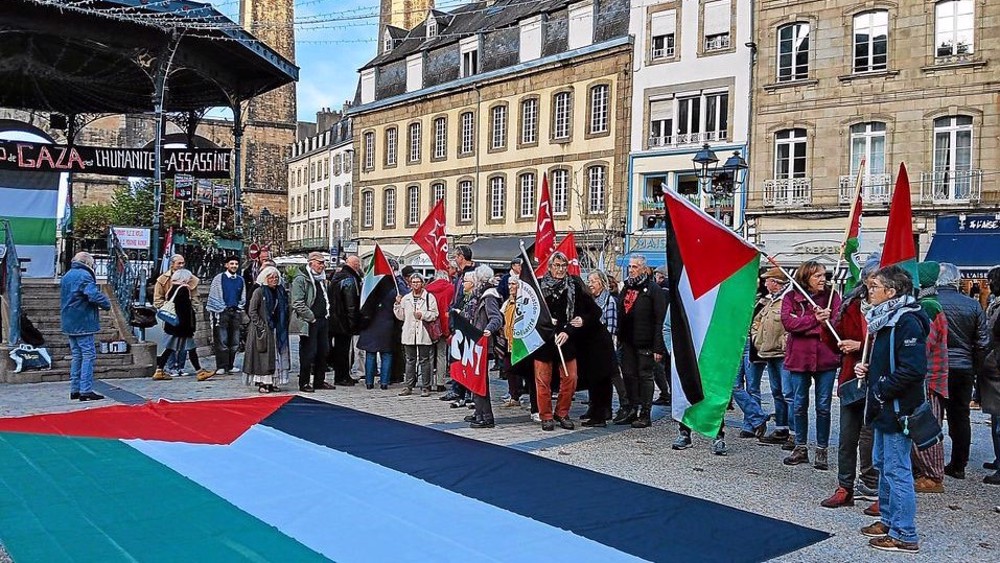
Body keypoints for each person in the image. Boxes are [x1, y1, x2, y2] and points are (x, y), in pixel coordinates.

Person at [856, 265, 927, 554]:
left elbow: (913, 369)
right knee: (884, 466)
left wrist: (882, 388)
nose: (869, 291)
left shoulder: (906, 321)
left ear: (891, 291)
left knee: (898, 471)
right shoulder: (885, 320)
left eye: (874, 287)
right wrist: (870, 370)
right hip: (884, 407)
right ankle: (888, 520)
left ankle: (905, 533)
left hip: (898, 407)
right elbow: (891, 363)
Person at [821, 256, 882, 510]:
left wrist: (861, 346)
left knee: (874, 438)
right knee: (847, 436)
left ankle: (877, 487)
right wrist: (823, 323)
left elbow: (896, 346)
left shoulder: (895, 310)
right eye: (873, 281)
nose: (875, 286)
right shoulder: (852, 305)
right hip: (850, 378)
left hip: (879, 381)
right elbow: (834, 339)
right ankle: (845, 486)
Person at [782, 260, 841, 470]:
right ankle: (800, 446)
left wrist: (816, 324)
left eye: (824, 275)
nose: (823, 279)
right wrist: (816, 320)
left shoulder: (833, 296)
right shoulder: (791, 298)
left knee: (824, 405)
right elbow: (789, 324)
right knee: (799, 404)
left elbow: (838, 324)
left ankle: (822, 449)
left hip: (826, 358)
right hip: (799, 359)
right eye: (817, 276)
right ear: (806, 277)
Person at [936, 262, 990, 480]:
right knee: (960, 416)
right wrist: (976, 369)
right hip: (964, 367)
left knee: (933, 415)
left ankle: (931, 463)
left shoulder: (931, 304)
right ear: (956, 280)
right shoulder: (972, 305)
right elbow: (982, 342)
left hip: (937, 367)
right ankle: (959, 464)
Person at [533, 252, 588, 431]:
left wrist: (569, 329)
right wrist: (546, 325)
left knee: (571, 378)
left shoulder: (574, 286)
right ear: (550, 267)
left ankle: (562, 412)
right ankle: (546, 416)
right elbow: (530, 313)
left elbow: (585, 311)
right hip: (544, 340)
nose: (560, 269)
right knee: (542, 380)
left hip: (566, 339)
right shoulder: (539, 287)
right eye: (557, 265)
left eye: (563, 266)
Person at [911, 261, 950, 493]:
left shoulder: (928, 307)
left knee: (927, 427)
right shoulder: (929, 304)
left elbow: (922, 346)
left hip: (928, 378)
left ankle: (933, 476)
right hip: (930, 376)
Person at [614, 255, 667, 428]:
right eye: (630, 266)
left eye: (635, 267)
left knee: (645, 376)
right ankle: (632, 409)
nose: (631, 270)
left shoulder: (653, 289)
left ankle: (645, 413)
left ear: (644, 269)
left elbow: (660, 319)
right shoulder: (627, 287)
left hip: (645, 342)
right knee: (629, 375)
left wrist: (658, 347)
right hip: (627, 341)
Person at [60, 252, 112, 401]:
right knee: (88, 355)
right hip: (83, 320)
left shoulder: (68, 275)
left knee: (77, 355)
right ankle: (86, 390)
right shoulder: (84, 276)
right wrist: (106, 303)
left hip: (69, 319)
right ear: (87, 263)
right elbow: (92, 294)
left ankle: (75, 389)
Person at [752, 267, 795, 447]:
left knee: (789, 393)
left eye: (767, 280)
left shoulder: (789, 300)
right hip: (770, 352)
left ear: (775, 283)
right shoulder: (770, 302)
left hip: (784, 354)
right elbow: (757, 321)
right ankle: (781, 428)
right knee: (777, 392)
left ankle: (795, 433)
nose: (765, 283)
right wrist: (757, 339)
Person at [152, 269, 214, 382]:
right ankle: (199, 372)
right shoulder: (183, 290)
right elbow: (185, 312)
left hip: (173, 325)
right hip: (182, 327)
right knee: (190, 349)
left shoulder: (172, 288)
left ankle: (160, 370)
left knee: (170, 349)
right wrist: (190, 327)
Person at [462, 265, 502, 428]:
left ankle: (486, 417)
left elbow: (496, 318)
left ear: (479, 280)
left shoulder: (489, 296)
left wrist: (487, 330)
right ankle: (479, 412)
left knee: (480, 380)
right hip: (476, 342)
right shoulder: (481, 295)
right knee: (475, 379)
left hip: (482, 343)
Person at [244, 266, 291, 392]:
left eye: (276, 277)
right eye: (270, 277)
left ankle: (273, 382)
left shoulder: (281, 291)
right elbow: (252, 310)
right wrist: (261, 326)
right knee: (263, 357)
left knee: (276, 356)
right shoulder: (259, 292)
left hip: (277, 329)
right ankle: (263, 383)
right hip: (263, 330)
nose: (274, 279)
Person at [290, 252, 331, 393]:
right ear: (311, 263)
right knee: (308, 352)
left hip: (322, 319)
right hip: (309, 321)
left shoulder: (321, 279)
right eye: (319, 263)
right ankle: (304, 382)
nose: (322, 266)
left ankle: (319, 381)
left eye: (323, 263)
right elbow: (297, 302)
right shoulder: (301, 279)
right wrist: (311, 317)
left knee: (323, 351)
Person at [394, 273, 439, 397]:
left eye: (418, 282)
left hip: (424, 333)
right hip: (409, 333)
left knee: (424, 360)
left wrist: (423, 315)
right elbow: (401, 316)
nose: (415, 284)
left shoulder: (429, 297)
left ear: (422, 283)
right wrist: (397, 305)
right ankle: (408, 386)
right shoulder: (406, 298)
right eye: (413, 282)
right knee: (410, 360)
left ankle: (426, 386)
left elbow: (435, 314)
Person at [584, 269, 619, 427]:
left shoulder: (608, 301)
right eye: (589, 281)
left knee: (602, 382)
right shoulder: (591, 300)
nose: (590, 284)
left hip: (603, 347)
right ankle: (594, 409)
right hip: (591, 345)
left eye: (593, 281)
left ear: (601, 283)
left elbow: (611, 326)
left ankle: (602, 413)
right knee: (592, 380)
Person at [206, 255, 246, 375]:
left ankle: (230, 365)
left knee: (234, 341)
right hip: (221, 312)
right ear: (226, 265)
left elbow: (242, 295)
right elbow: (214, 294)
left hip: (235, 312)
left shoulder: (240, 279)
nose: (234, 266)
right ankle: (221, 366)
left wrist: (239, 306)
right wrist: (221, 308)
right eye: (231, 264)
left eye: (236, 264)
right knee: (221, 340)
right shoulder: (219, 278)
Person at [329, 256, 362, 386]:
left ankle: (342, 375)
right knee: (343, 350)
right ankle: (342, 377)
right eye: (358, 263)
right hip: (343, 320)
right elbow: (351, 304)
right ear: (354, 265)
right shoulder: (349, 278)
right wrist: (353, 322)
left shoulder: (338, 276)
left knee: (340, 349)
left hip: (335, 318)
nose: (359, 266)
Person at [981, 266, 1000, 485]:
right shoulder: (994, 303)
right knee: (996, 417)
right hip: (992, 363)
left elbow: (991, 331)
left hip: (996, 363)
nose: (988, 284)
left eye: (991, 280)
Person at [358, 283, 396, 390]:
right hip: (387, 325)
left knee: (370, 354)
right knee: (386, 354)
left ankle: (369, 382)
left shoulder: (368, 290)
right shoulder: (392, 292)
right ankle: (384, 382)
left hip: (370, 324)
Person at [425, 270, 455, 392]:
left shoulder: (427, 289)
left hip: (431, 324)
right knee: (442, 354)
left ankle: (429, 383)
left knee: (430, 354)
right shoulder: (451, 288)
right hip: (445, 324)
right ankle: (440, 383)